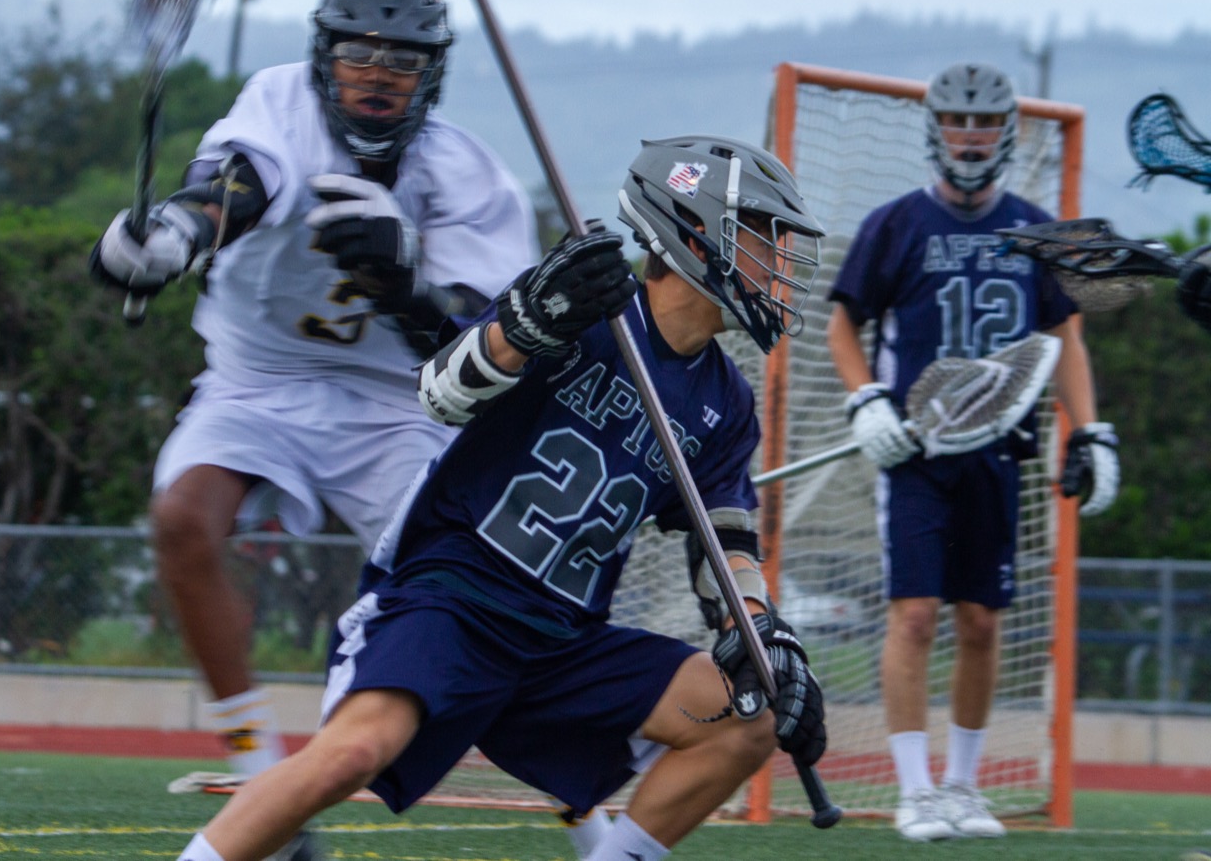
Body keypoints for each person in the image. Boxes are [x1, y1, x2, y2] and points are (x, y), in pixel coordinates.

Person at [168, 135, 830, 861]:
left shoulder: (725, 404)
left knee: (749, 717)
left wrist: (762, 636)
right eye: (764, 236)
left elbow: (725, 547)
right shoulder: (586, 308)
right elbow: (442, 391)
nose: (778, 262)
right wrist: (529, 320)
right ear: (695, 231)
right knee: (354, 753)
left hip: (562, 640)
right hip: (453, 602)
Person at [90, 0, 561, 854]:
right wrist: (170, 239)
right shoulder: (279, 104)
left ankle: (585, 802)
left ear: (433, 73)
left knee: (478, 598)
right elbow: (233, 185)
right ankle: (256, 755)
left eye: (401, 60)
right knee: (183, 521)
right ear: (322, 56)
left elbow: (480, 352)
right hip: (255, 377)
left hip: (396, 405)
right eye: (358, 55)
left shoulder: (465, 173)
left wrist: (406, 279)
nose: (377, 74)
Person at [825, 61, 1119, 842]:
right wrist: (866, 401)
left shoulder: (1036, 229)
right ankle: (915, 792)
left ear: (1005, 133)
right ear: (935, 128)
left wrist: (1089, 431)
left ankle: (962, 786)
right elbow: (841, 325)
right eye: (958, 120)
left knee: (984, 623)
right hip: (917, 454)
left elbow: (1065, 339)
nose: (970, 134)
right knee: (915, 614)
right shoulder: (897, 224)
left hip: (998, 450)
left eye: (984, 122)